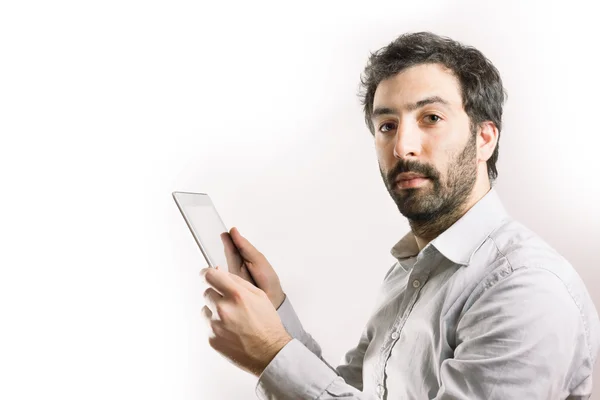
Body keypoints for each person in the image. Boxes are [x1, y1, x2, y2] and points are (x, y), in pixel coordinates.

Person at [199, 31, 600, 399]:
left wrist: (271, 354)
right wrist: (275, 313)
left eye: (431, 118)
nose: (403, 145)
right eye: (387, 125)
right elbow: (348, 392)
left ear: (484, 138)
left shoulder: (526, 289)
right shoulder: (413, 270)